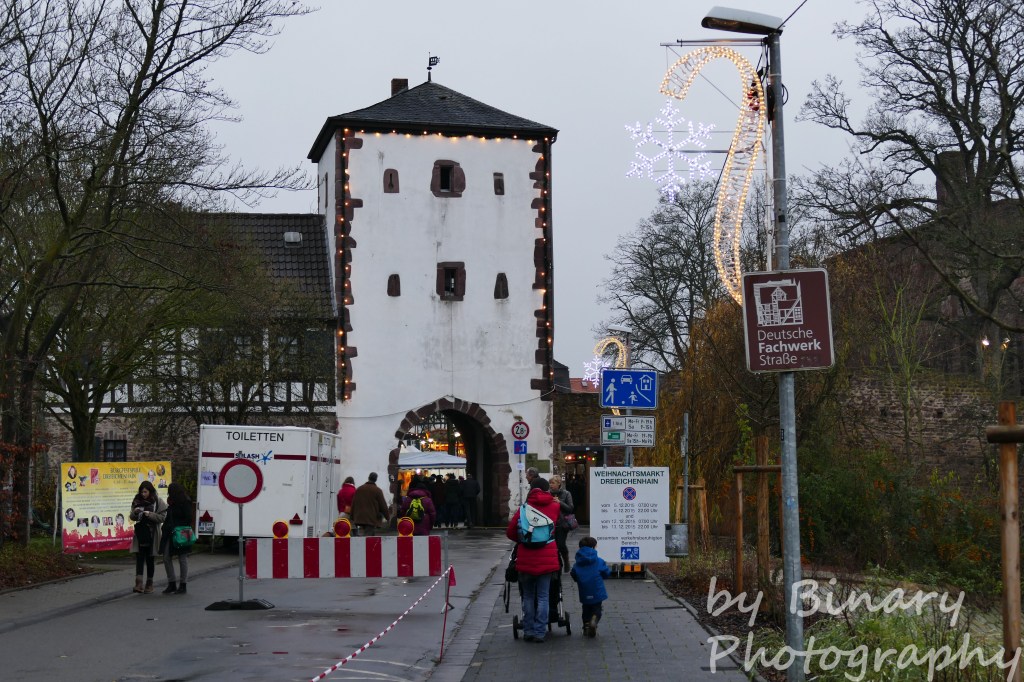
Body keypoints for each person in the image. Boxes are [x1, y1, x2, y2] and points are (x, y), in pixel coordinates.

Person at [505, 477, 561, 643]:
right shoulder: (555, 506)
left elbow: (510, 532)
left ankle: (528, 630)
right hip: (547, 556)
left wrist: (524, 539)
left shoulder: (523, 508)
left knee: (528, 596)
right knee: (543, 596)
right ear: (546, 490)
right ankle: (539, 632)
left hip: (526, 557)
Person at [129, 480, 167, 594]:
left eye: (145, 492)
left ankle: (149, 584)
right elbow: (131, 516)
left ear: (150, 491)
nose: (143, 494)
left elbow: (163, 517)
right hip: (141, 533)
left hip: (152, 534)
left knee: (150, 558)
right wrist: (135, 513)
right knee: (139, 558)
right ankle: (138, 584)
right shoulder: (137, 501)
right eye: (141, 492)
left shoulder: (158, 501)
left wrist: (150, 514)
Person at [570, 536, 610, 638]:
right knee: (597, 608)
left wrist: (578, 579)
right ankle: (594, 619)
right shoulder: (599, 561)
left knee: (586, 609)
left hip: (584, 590)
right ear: (593, 547)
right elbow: (606, 573)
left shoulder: (577, 563)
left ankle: (586, 625)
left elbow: (573, 573)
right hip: (597, 590)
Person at [160, 482, 193, 595]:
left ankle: (183, 584)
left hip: (181, 533)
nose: (169, 494)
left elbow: (188, 518)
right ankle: (172, 583)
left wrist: (179, 527)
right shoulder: (172, 502)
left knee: (182, 558)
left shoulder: (185, 502)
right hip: (170, 533)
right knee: (166, 557)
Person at [350, 472, 389, 536]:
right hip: (371, 518)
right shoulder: (377, 490)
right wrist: (387, 517)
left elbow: (354, 503)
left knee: (364, 535)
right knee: (368, 536)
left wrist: (352, 516)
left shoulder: (359, 489)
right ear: (376, 479)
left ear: (368, 478)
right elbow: (383, 506)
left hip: (359, 517)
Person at [549, 474, 575, 572]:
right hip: (550, 523)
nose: (551, 485)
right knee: (552, 545)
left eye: (553, 483)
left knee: (560, 544)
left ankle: (566, 560)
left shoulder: (566, 493)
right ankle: (555, 564)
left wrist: (559, 502)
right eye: (550, 483)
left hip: (562, 523)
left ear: (559, 484)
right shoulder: (547, 493)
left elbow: (570, 508)